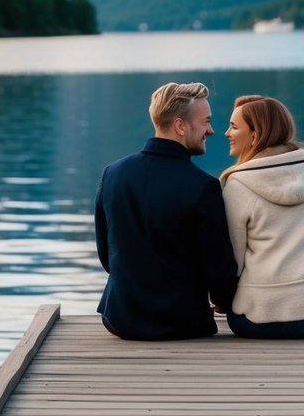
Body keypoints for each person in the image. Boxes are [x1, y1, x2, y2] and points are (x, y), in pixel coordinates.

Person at [94, 81, 239, 340]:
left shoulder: (112, 174)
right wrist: (225, 302)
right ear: (181, 126)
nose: (212, 130)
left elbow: (107, 255)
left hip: (119, 319)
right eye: (206, 121)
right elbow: (218, 270)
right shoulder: (203, 187)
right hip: (182, 324)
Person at [221, 94, 304, 339]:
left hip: (257, 318)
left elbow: (233, 263)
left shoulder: (237, 186)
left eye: (234, 127)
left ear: (256, 136)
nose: (226, 133)